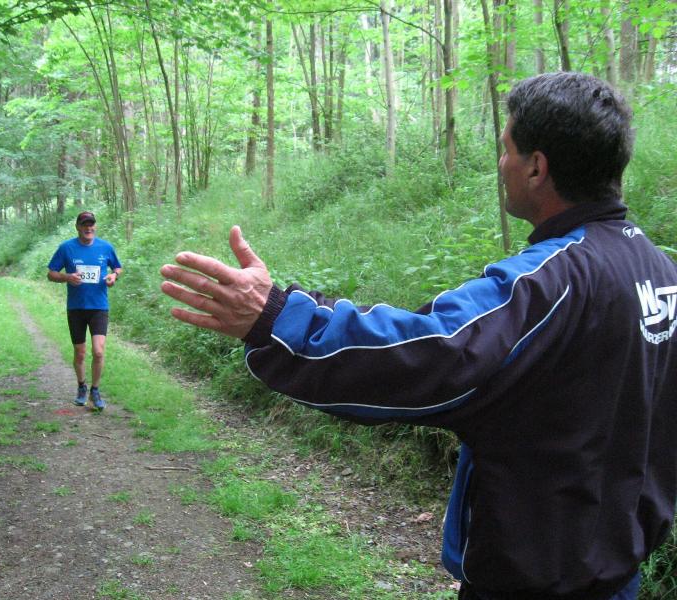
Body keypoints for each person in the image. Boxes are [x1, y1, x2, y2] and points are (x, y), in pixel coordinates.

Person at [160, 72, 677, 600]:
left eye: (506, 149)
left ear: (536, 167)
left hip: (535, 580)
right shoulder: (659, 271)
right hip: (616, 573)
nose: (501, 164)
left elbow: (429, 351)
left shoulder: (550, 281)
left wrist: (277, 319)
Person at [48, 211, 122, 411]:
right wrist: (67, 277)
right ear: (78, 227)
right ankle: (81, 386)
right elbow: (51, 274)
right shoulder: (66, 248)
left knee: (98, 351)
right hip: (76, 308)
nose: (88, 228)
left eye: (91, 224)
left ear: (95, 226)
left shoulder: (105, 247)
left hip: (99, 307)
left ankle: (95, 391)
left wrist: (114, 276)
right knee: (80, 353)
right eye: (84, 224)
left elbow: (117, 267)